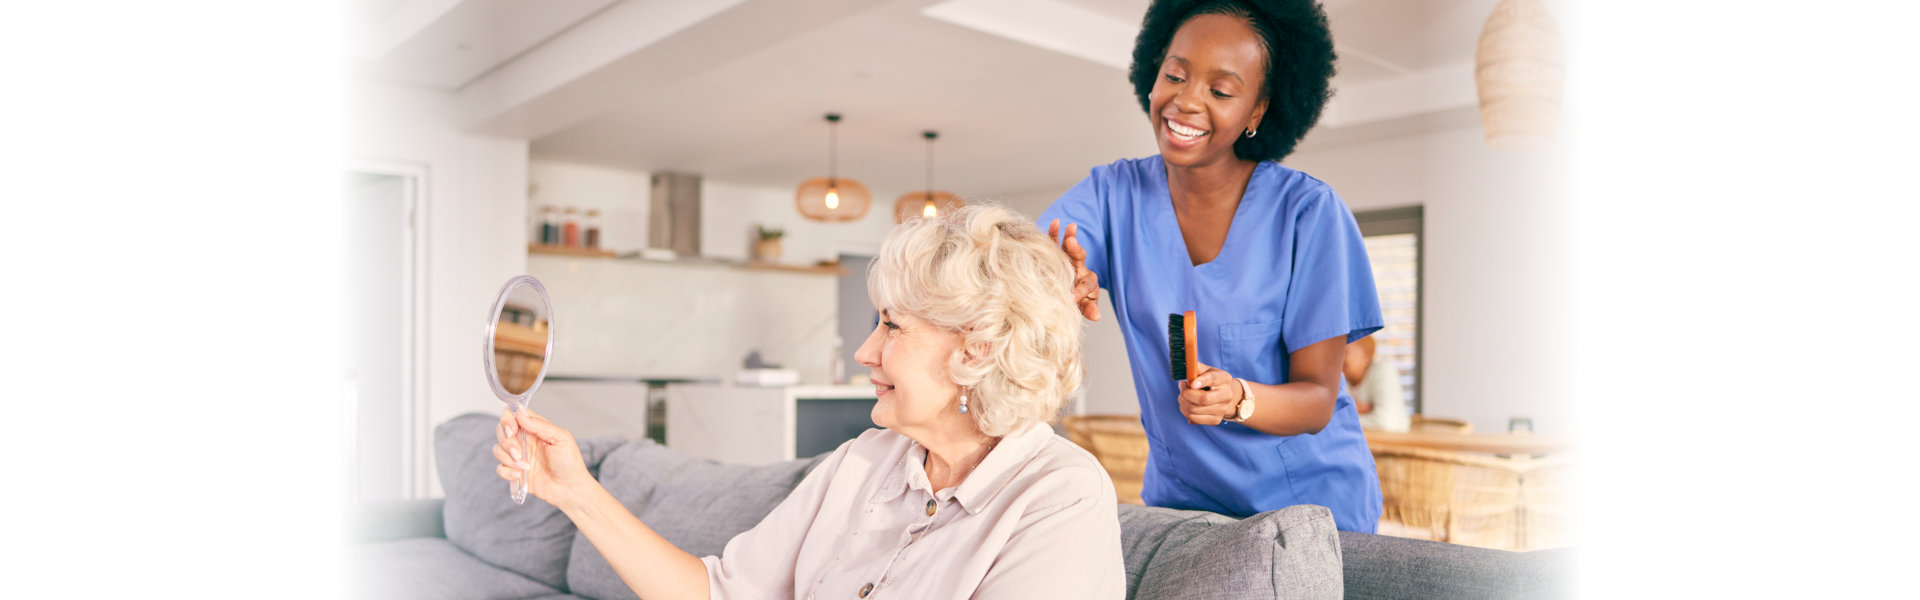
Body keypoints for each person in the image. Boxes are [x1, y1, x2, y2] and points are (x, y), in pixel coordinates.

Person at [494, 205, 1124, 600]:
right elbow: (720, 593)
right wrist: (573, 490)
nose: (865, 353)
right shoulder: (864, 462)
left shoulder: (1060, 495)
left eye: (892, 326)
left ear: (978, 351)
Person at [1038, 0, 1386, 532]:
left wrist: (1240, 398)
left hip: (1311, 510)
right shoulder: (1114, 194)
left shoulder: (1309, 214)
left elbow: (1317, 399)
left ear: (1257, 111)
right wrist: (1061, 277)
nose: (1186, 101)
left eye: (1220, 91)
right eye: (1174, 75)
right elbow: (1038, 255)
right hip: (1186, 505)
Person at [1345, 335, 1408, 432]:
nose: (1336, 359)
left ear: (1366, 355)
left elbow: (1385, 423)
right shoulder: (1340, 378)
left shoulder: (1384, 371)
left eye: (1345, 352)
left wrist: (1344, 416)